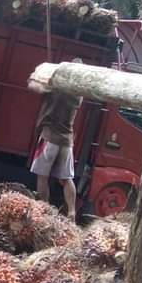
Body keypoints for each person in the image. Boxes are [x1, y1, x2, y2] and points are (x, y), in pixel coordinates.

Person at [30, 68, 83, 221]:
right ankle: (72, 212)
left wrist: (36, 77)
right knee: (67, 178)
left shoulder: (56, 89)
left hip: (49, 138)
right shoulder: (78, 96)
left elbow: (34, 87)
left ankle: (44, 210)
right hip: (66, 141)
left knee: (42, 176)